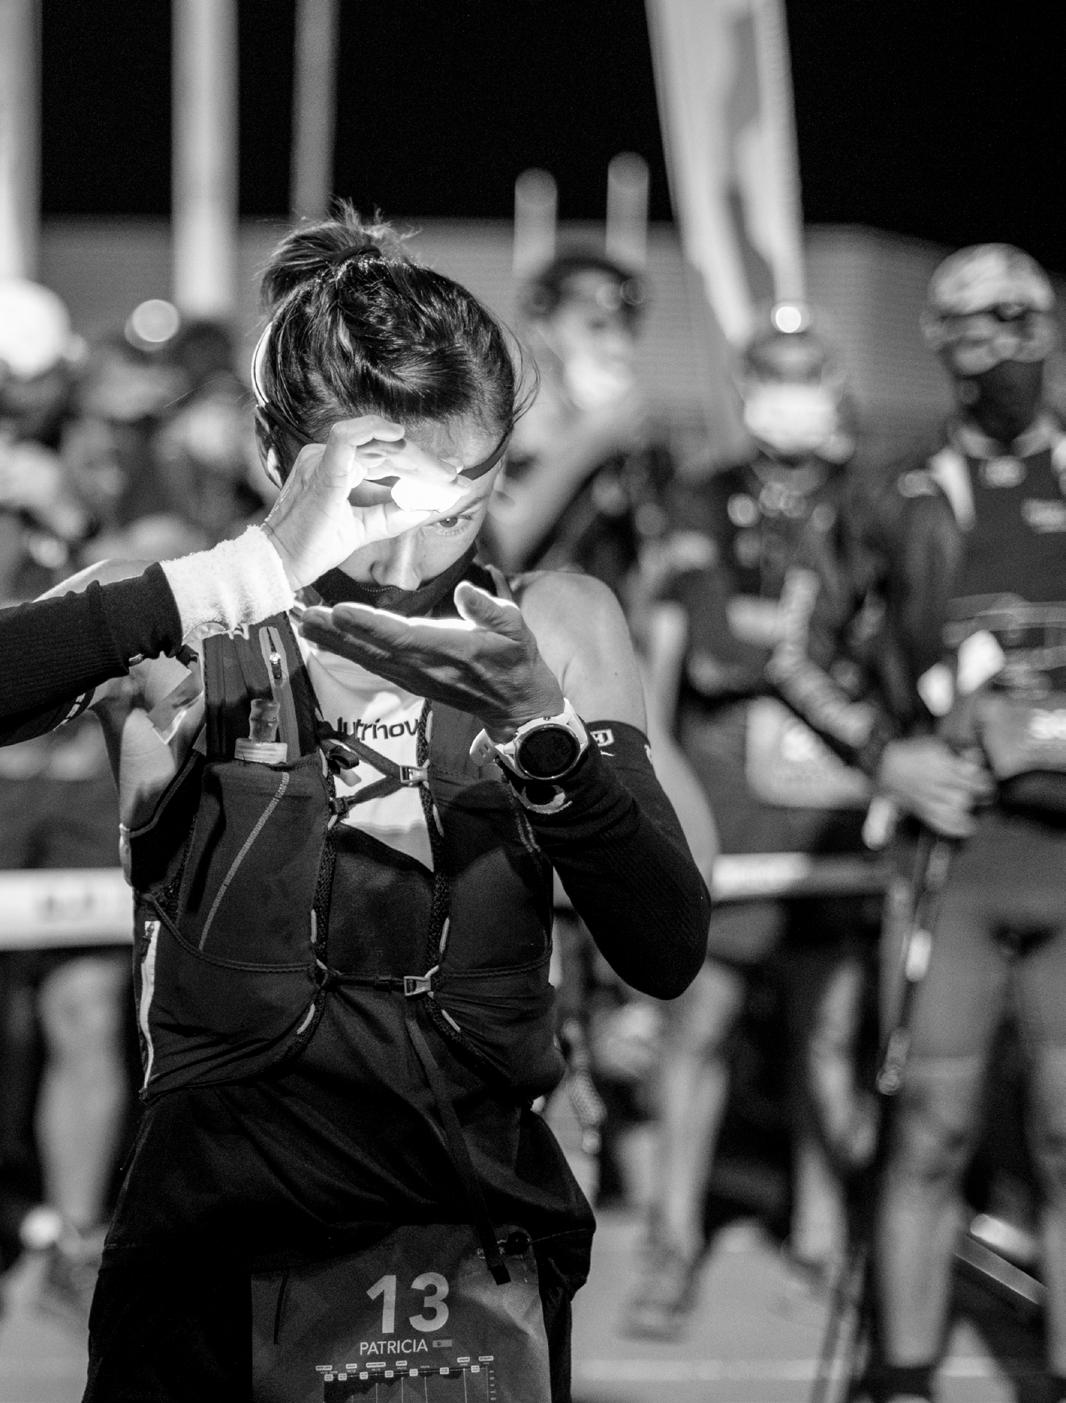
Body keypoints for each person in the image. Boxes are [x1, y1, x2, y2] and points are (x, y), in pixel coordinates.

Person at [4, 206, 710, 1402]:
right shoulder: (184, 615)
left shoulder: (550, 620)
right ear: (278, 459)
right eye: (378, 500)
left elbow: (667, 944)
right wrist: (234, 578)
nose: (413, 554)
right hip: (212, 1247)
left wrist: (545, 743)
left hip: (468, 1232)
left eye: (460, 503)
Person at [765, 244, 1066, 1403]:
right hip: (952, 862)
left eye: (1021, 313)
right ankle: (901, 1374)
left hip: (1060, 859)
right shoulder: (896, 492)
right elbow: (795, 650)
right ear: (938, 340)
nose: (1000, 336)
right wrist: (888, 754)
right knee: (930, 1126)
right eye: (972, 319)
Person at [623, 302, 880, 1339]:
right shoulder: (703, 493)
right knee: (702, 1025)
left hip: (837, 812)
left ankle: (823, 1235)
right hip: (727, 805)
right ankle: (671, 1241)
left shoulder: (870, 499)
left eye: (808, 371)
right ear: (744, 386)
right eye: (774, 372)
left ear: (836, 385)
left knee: (831, 1033)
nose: (792, 391)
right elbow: (689, 650)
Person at [0, 277, 141, 1326]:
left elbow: (167, 572)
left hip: (80, 781)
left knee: (87, 1008)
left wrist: (72, 512)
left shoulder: (114, 450)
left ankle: (76, 1237)